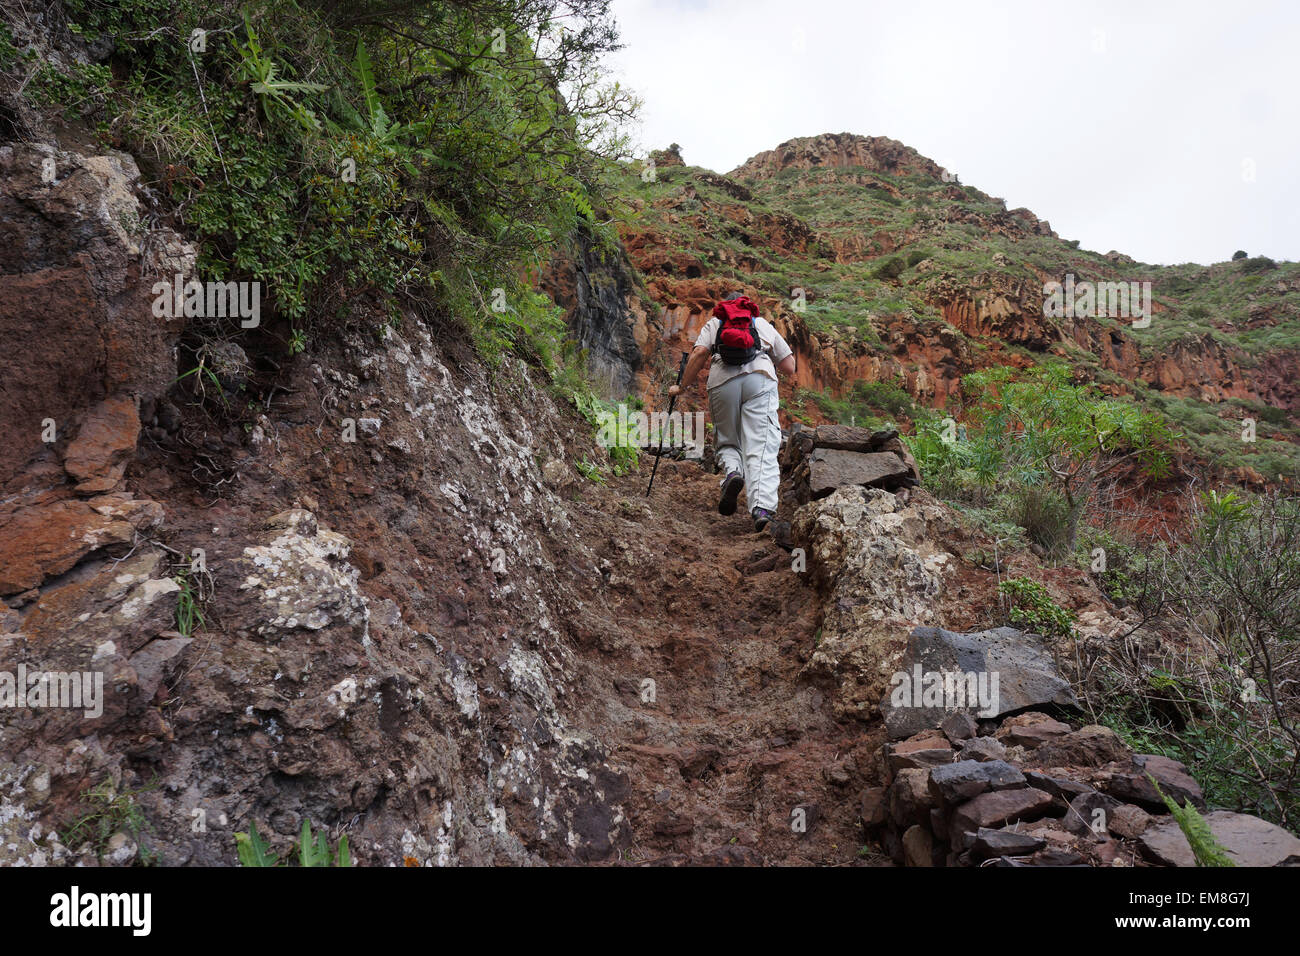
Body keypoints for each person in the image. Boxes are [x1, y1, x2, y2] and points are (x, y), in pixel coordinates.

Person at [668, 293, 796, 531]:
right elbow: (789, 367)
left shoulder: (716, 322)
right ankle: (762, 508)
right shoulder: (761, 324)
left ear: (726, 306)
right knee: (762, 444)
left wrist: (681, 386)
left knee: (727, 440)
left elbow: (698, 354)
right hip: (760, 380)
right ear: (748, 308)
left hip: (722, 381)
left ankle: (732, 474)